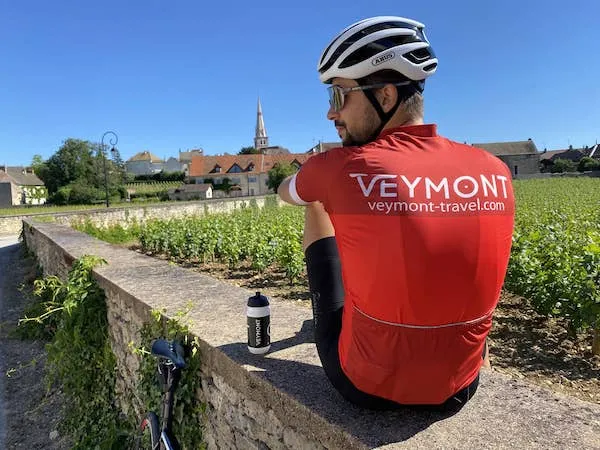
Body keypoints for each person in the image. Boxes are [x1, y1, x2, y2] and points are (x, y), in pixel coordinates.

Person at [277, 16, 515, 410]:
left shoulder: (340, 165)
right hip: (462, 387)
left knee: (317, 197)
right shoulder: (495, 170)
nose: (331, 114)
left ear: (385, 97)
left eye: (338, 96)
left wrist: (321, 173)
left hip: (365, 386)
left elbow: (287, 192)